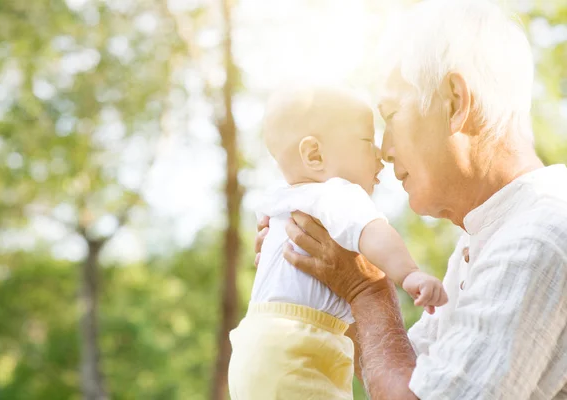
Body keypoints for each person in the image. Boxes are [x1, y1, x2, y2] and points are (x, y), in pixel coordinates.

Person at [255, 1, 567, 399]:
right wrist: (315, 279)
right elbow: (404, 370)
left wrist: (367, 289)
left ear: (454, 102)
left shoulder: (538, 238)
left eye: (391, 114)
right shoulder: (487, 240)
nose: (384, 149)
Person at [228, 87, 447, 400]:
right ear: (315, 155)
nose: (380, 154)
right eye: (366, 140)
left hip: (254, 344)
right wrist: (409, 273)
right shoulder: (337, 193)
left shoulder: (280, 198)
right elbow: (374, 232)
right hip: (300, 345)